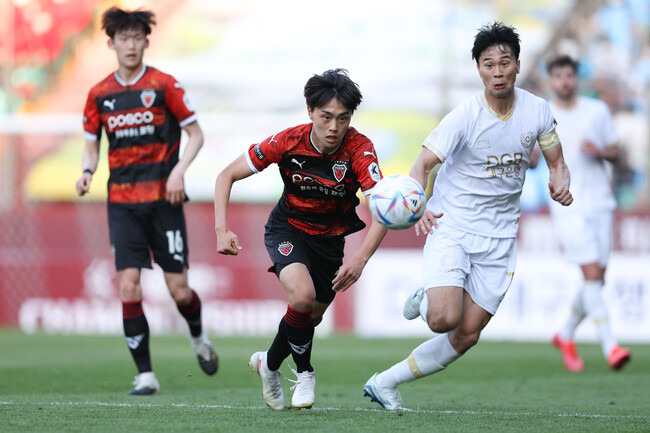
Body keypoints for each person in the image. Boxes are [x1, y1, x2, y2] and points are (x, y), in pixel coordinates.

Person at [363, 22, 573, 411]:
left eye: (504, 62)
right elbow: (422, 163)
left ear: (517, 65)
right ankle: (426, 297)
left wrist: (561, 182)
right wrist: (419, 206)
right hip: (454, 227)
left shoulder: (537, 110)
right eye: (488, 64)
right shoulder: (464, 116)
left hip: (500, 237)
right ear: (478, 69)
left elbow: (557, 161)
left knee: (467, 334)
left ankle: (385, 382)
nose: (497, 71)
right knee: (443, 319)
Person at [214, 69, 388, 410]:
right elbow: (226, 175)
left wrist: (361, 259)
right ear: (310, 112)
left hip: (330, 240)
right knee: (303, 295)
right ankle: (305, 372)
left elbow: (383, 208)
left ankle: (269, 364)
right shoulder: (286, 141)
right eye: (326, 117)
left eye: (342, 118)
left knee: (309, 318)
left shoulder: (360, 150)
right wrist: (222, 228)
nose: (334, 127)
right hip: (288, 228)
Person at [75, 7, 217, 395]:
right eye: (124, 38)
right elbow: (92, 148)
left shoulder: (164, 84)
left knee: (180, 292)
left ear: (146, 42)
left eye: (138, 38)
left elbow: (197, 135)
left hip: (163, 200)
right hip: (122, 203)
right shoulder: (99, 95)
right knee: (129, 286)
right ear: (112, 43)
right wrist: (87, 172)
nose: (131, 45)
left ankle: (198, 336)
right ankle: (146, 376)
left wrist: (178, 171)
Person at [544, 54, 631, 372]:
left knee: (598, 278)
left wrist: (602, 151)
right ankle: (611, 346)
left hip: (601, 202)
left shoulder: (596, 111)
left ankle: (564, 334)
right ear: (552, 80)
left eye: (569, 75)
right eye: (558, 75)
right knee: (592, 275)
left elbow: (618, 153)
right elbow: (527, 156)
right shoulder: (544, 114)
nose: (564, 81)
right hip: (567, 205)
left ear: (576, 78)